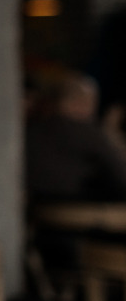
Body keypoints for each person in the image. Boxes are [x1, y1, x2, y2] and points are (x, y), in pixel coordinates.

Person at [25, 72, 126, 204]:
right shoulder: (86, 132)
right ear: (81, 103)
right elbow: (121, 178)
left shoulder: (32, 128)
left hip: (34, 207)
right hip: (72, 209)